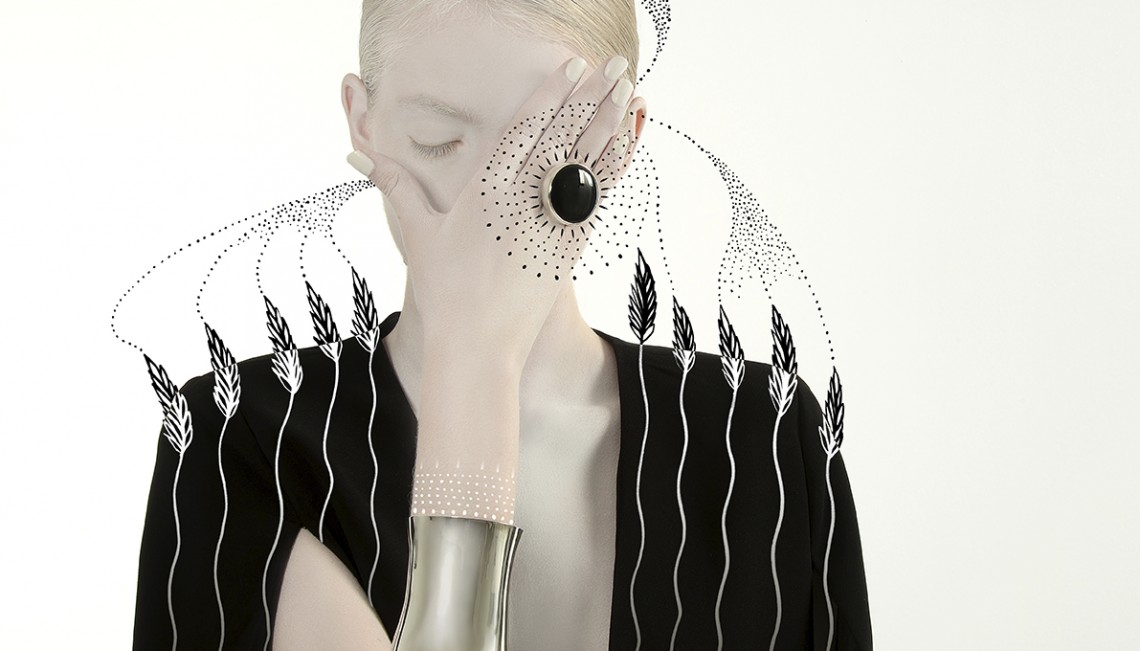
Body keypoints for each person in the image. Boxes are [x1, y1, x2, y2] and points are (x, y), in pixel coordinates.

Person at [132, 1, 872, 649]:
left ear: (621, 138)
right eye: (438, 141)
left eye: (544, 150)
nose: (487, 213)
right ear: (363, 120)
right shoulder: (240, 436)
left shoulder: (764, 438)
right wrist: (475, 357)